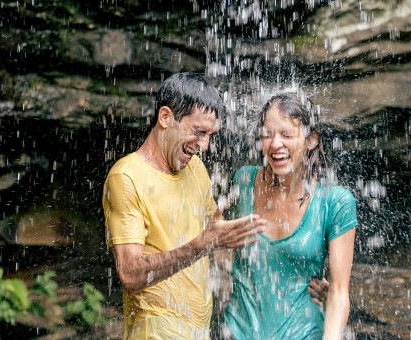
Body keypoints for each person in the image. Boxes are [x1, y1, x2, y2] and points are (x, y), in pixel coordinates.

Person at [102, 72, 268, 339]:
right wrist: (205, 243)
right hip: (154, 330)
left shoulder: (195, 169)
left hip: (198, 330)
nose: (204, 145)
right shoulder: (127, 177)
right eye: (198, 132)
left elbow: (216, 231)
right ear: (165, 117)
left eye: (210, 135)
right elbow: (130, 274)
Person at [221, 92, 358, 339]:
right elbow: (212, 238)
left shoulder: (335, 202)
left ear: (311, 140)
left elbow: (338, 293)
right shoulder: (243, 181)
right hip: (237, 333)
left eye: (286, 135)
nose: (275, 144)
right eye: (268, 133)